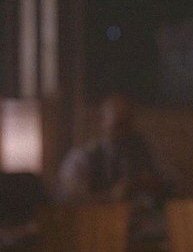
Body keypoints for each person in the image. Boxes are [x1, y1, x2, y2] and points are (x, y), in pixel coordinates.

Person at [57, 93, 174, 240]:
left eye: (128, 125)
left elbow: (173, 183)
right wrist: (113, 196)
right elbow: (67, 202)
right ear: (102, 120)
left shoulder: (146, 153)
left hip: (143, 230)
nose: (124, 134)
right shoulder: (82, 158)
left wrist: (153, 184)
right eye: (119, 125)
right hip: (96, 232)